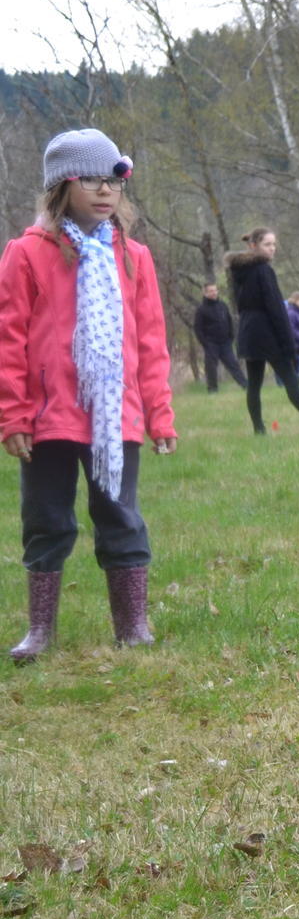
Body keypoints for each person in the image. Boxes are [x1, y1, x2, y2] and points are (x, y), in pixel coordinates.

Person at [1, 129, 176, 661]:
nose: (106, 191)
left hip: (115, 417)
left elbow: (150, 342)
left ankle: (132, 625)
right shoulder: (27, 254)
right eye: (92, 180)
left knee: (121, 517)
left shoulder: (134, 257)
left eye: (114, 181)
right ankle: (40, 630)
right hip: (49, 417)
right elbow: (9, 339)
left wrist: (160, 415)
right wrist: (14, 415)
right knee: (46, 520)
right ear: (61, 187)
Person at [228, 229, 299, 435]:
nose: (272, 248)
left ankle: (259, 429)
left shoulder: (238, 270)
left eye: (274, 244)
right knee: (290, 380)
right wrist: (288, 344)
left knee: (254, 383)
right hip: (266, 331)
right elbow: (276, 309)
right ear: (253, 245)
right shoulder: (263, 270)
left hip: (248, 330)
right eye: (267, 244)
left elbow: (238, 303)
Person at [191, 282, 246, 392]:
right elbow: (198, 329)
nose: (214, 293)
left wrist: (231, 337)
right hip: (211, 343)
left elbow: (229, 321)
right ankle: (213, 389)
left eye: (215, 290)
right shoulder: (201, 309)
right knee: (211, 367)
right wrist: (205, 343)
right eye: (211, 291)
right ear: (205, 293)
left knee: (233, 364)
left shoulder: (222, 305)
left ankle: (245, 385)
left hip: (225, 342)